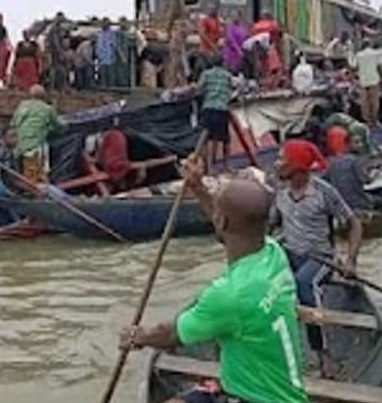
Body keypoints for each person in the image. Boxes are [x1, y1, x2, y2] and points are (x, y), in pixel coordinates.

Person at [120, 166, 307, 403]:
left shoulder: (230, 295)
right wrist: (199, 190)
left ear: (221, 220)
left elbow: (171, 335)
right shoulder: (273, 253)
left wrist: (139, 336)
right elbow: (230, 227)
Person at [268, 139, 364, 376]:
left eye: (282, 160)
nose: (276, 164)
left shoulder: (323, 192)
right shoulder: (280, 194)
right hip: (290, 254)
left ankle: (324, 355)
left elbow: (354, 224)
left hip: (320, 258)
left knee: (305, 284)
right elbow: (270, 227)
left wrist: (350, 260)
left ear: (298, 166)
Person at [11, 85, 66, 184]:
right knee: (35, 175)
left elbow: (13, 123)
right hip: (35, 147)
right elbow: (59, 125)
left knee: (27, 172)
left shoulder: (22, 105)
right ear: (44, 96)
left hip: (18, 147)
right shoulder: (47, 109)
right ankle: (37, 192)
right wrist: (64, 124)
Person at [326, 132, 378, 219]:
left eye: (360, 142)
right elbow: (366, 180)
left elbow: (327, 179)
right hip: (358, 203)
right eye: (356, 142)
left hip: (340, 203)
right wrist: (375, 174)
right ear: (347, 144)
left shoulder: (333, 161)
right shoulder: (356, 161)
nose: (360, 145)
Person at [198, 56, 234, 172]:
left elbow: (199, 88)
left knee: (208, 138)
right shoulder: (228, 75)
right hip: (222, 108)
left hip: (208, 107)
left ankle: (209, 167)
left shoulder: (206, 74)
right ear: (223, 63)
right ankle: (226, 165)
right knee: (226, 139)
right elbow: (234, 87)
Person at [352, 41, 382, 126]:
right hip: (374, 80)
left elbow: (353, 65)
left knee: (365, 102)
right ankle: (375, 121)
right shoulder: (375, 54)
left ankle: (367, 121)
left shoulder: (359, 55)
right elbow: (380, 66)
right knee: (374, 102)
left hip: (363, 81)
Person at [45, 12, 70, 90]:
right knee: (55, 69)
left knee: (58, 69)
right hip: (54, 52)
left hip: (55, 52)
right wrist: (60, 52)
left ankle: (58, 87)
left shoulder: (56, 28)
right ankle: (54, 87)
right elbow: (56, 42)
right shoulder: (54, 29)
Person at [95, 18, 120, 88]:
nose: (105, 25)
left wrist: (115, 55)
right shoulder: (99, 34)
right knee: (102, 75)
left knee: (110, 75)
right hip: (101, 58)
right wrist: (98, 55)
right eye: (103, 23)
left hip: (109, 57)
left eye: (106, 23)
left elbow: (114, 46)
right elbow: (98, 46)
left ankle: (111, 87)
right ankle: (103, 87)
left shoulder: (112, 34)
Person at [223, 10, 247, 75]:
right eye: (233, 16)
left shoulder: (242, 26)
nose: (234, 17)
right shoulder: (229, 26)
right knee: (231, 71)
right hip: (231, 53)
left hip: (240, 53)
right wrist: (238, 50)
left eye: (236, 16)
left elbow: (245, 37)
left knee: (239, 71)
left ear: (240, 17)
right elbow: (230, 39)